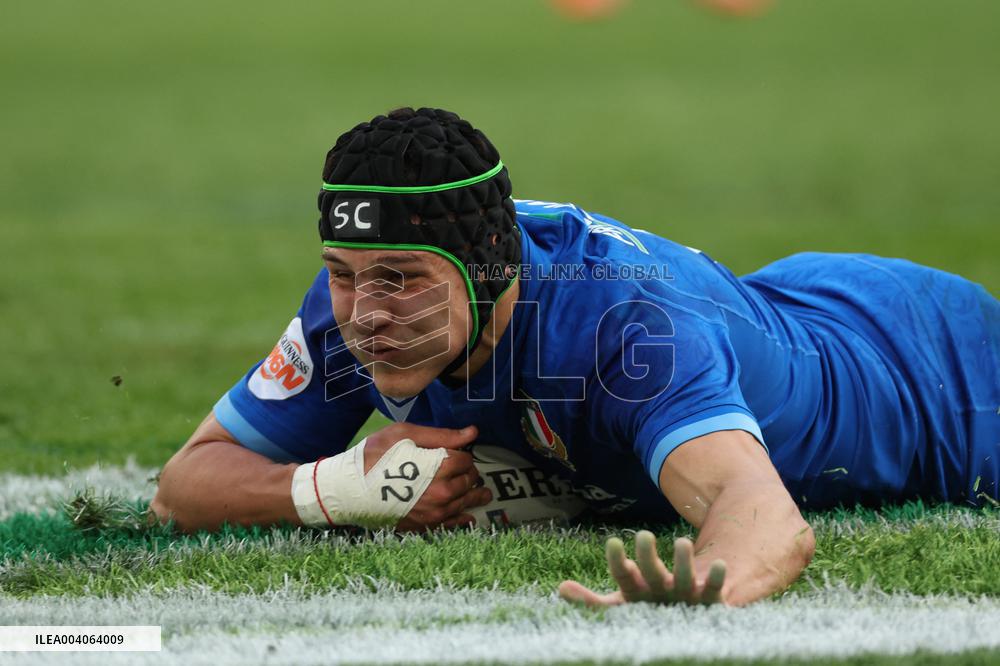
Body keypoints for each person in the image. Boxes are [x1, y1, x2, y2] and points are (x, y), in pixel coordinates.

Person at [151, 107, 999, 607]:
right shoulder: (354, 304)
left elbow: (762, 516)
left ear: (490, 266)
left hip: (938, 375)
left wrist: (704, 589)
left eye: (402, 280)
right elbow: (184, 486)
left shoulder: (624, 328)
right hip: (790, 307)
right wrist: (331, 490)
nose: (367, 313)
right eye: (343, 274)